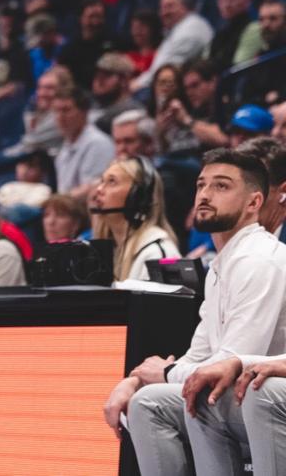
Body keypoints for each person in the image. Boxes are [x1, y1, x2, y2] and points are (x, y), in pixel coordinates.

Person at [106, 149, 286, 474]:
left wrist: (162, 374)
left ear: (254, 203)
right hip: (241, 399)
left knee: (198, 393)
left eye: (221, 186)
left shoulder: (258, 259)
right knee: (148, 403)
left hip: (264, 395)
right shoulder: (223, 263)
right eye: (201, 185)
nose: (204, 195)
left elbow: (231, 361)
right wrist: (135, 381)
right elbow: (198, 357)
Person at [89, 157, 178, 282]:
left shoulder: (156, 254)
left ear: (137, 196)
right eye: (101, 181)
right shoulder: (109, 251)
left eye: (112, 182)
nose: (99, 189)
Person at [54, 87, 116, 199]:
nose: (60, 117)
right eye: (57, 111)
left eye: (66, 110)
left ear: (84, 112)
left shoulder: (98, 143)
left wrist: (57, 201)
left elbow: (93, 189)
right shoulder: (66, 145)